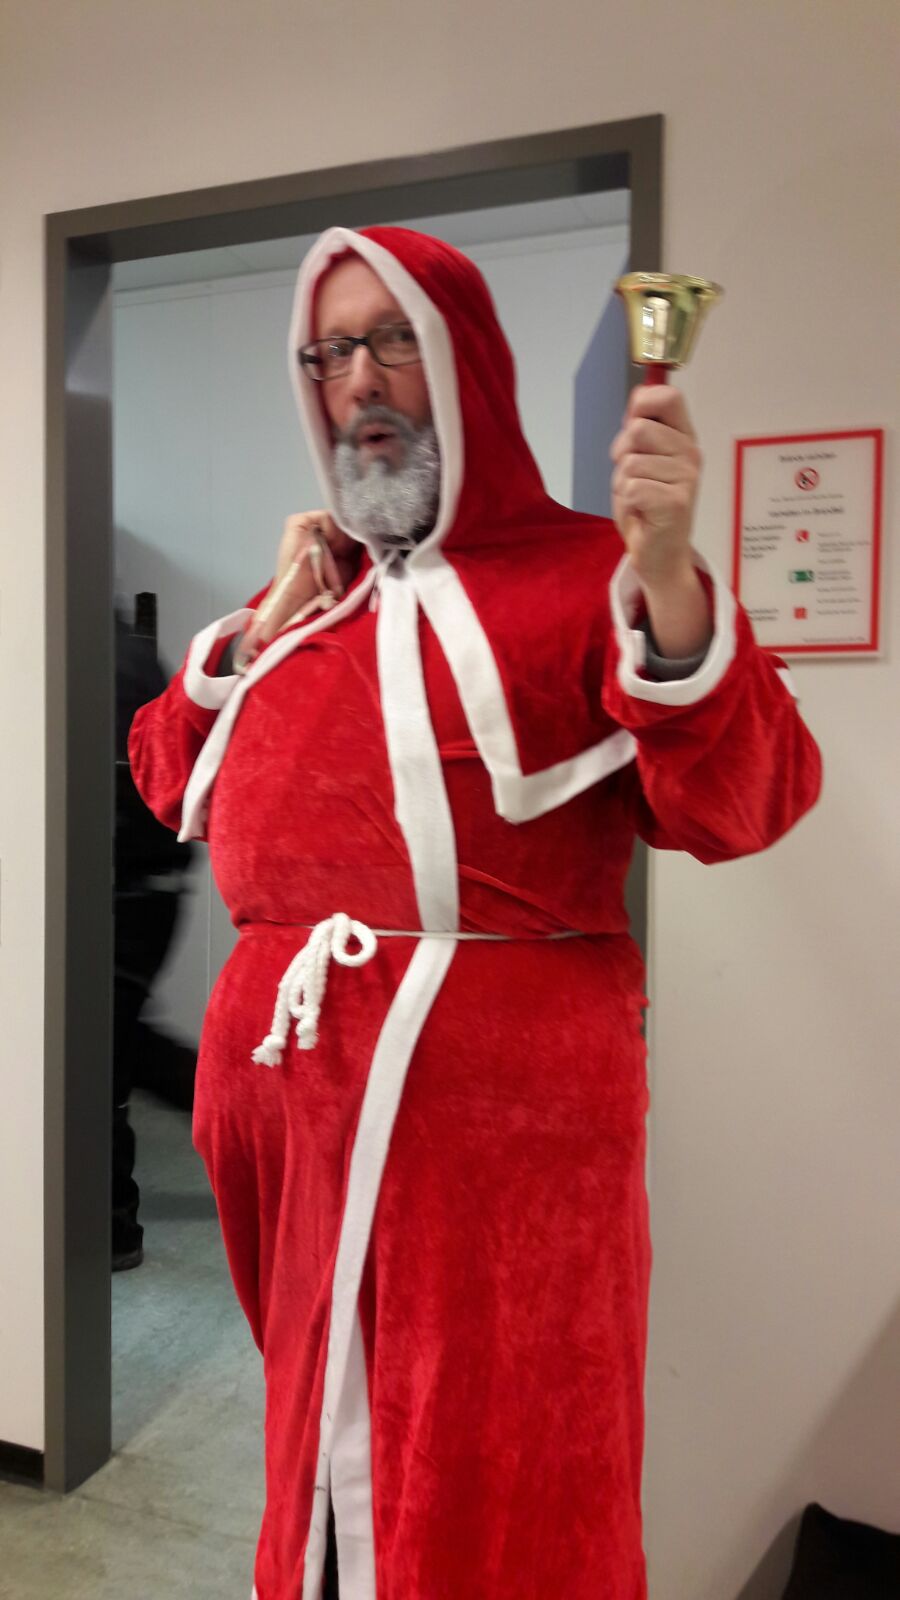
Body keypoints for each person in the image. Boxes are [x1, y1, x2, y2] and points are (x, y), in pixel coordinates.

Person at [128, 226, 822, 1600]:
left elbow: (747, 802)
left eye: (393, 339)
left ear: (466, 364)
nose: (359, 380)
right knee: (329, 1455)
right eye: (329, 353)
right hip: (296, 1132)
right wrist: (260, 622)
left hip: (497, 1144)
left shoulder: (589, 573)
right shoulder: (311, 605)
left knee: (498, 1464)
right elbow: (166, 778)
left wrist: (670, 575)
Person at [113, 611, 195, 1269]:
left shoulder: (95, 657)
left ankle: (113, 1232)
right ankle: (112, 1231)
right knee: (114, 1049)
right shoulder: (122, 652)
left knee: (108, 1051)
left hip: (122, 893)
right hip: (142, 888)